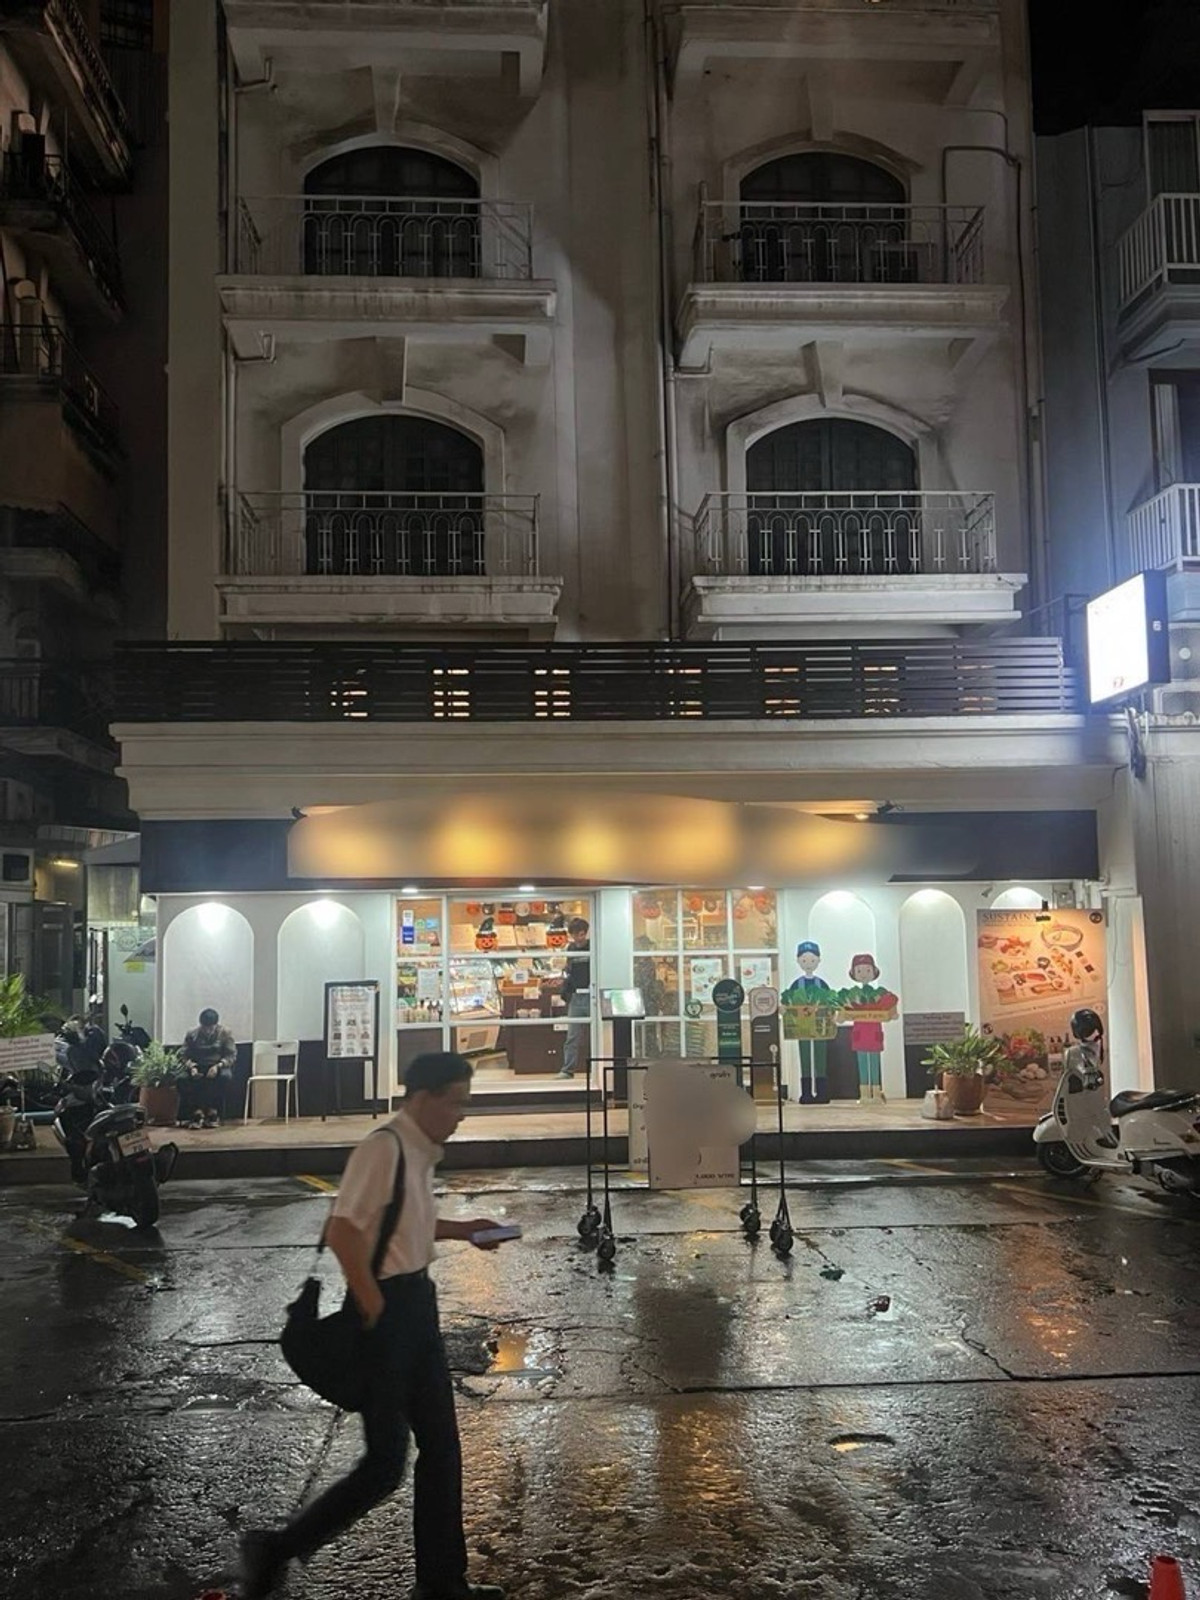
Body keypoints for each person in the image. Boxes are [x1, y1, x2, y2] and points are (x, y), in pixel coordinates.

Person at [240, 1051, 512, 1600]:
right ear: (424, 1098)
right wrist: (372, 1300)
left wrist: (464, 1230)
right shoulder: (383, 1148)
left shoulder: (418, 1149)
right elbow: (343, 1229)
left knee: (442, 1448)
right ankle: (276, 1548)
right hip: (388, 1315)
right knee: (386, 1463)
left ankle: (442, 1583)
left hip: (417, 1306)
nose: (461, 1114)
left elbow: (404, 1221)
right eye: (456, 1102)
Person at [177, 1008, 238, 1129]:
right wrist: (191, 1066)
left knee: (225, 1077)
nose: (207, 1031)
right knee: (181, 1079)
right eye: (205, 1028)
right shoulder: (192, 1035)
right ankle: (196, 1112)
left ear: (216, 1025)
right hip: (198, 1065)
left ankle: (213, 1111)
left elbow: (231, 1055)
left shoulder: (225, 1034)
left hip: (217, 1065)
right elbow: (183, 1055)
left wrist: (218, 1066)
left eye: (210, 1028)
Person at [556, 916, 591, 1079]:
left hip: (592, 995)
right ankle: (567, 1070)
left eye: (581, 934)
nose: (579, 938)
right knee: (572, 1036)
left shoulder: (593, 947)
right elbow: (570, 970)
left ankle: (598, 1067)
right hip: (576, 997)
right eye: (575, 935)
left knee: (597, 1034)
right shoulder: (570, 948)